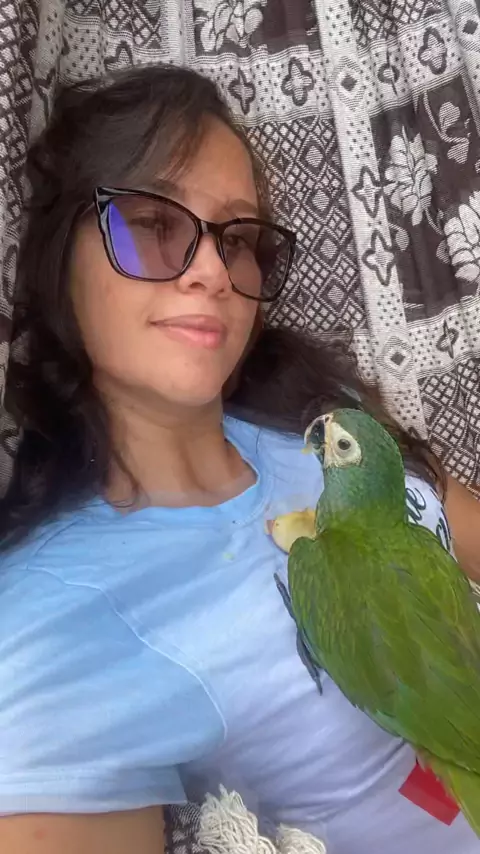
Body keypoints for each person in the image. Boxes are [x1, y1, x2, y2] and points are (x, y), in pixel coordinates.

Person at [0, 65, 478, 854]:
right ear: (59, 261)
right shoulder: (51, 620)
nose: (214, 272)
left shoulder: (323, 423)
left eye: (239, 239)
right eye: (154, 222)